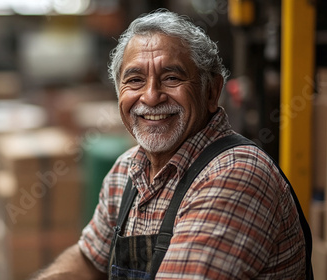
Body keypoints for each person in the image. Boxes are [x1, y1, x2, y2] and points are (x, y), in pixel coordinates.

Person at [32, 9, 309, 279]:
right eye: (135, 80)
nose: (151, 97)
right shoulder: (126, 171)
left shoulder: (235, 174)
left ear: (211, 91)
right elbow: (88, 260)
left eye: (172, 78)